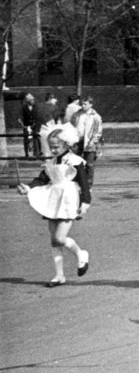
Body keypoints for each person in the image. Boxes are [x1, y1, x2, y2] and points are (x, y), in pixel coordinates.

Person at [16, 122, 91, 287]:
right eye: (51, 146)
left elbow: (84, 183)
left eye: (56, 146)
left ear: (66, 143)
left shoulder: (75, 160)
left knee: (60, 237)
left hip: (68, 199)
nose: (53, 149)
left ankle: (81, 254)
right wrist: (28, 187)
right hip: (52, 199)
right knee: (54, 240)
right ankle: (59, 275)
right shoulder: (51, 162)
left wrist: (86, 202)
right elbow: (42, 178)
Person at [72, 96, 103, 189]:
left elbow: (98, 131)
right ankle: (77, 183)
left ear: (91, 104)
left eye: (85, 104)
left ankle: (88, 185)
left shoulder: (95, 116)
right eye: (82, 103)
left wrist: (93, 141)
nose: (83, 105)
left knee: (89, 164)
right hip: (77, 142)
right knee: (75, 163)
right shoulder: (77, 114)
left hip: (89, 142)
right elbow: (72, 125)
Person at [20, 93, 41, 158]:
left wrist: (36, 123)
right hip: (27, 125)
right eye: (31, 100)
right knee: (26, 139)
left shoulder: (36, 107)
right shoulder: (24, 107)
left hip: (34, 125)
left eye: (33, 100)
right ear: (28, 101)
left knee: (36, 139)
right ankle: (26, 154)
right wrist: (23, 125)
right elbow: (21, 116)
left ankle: (36, 153)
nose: (33, 101)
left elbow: (38, 115)